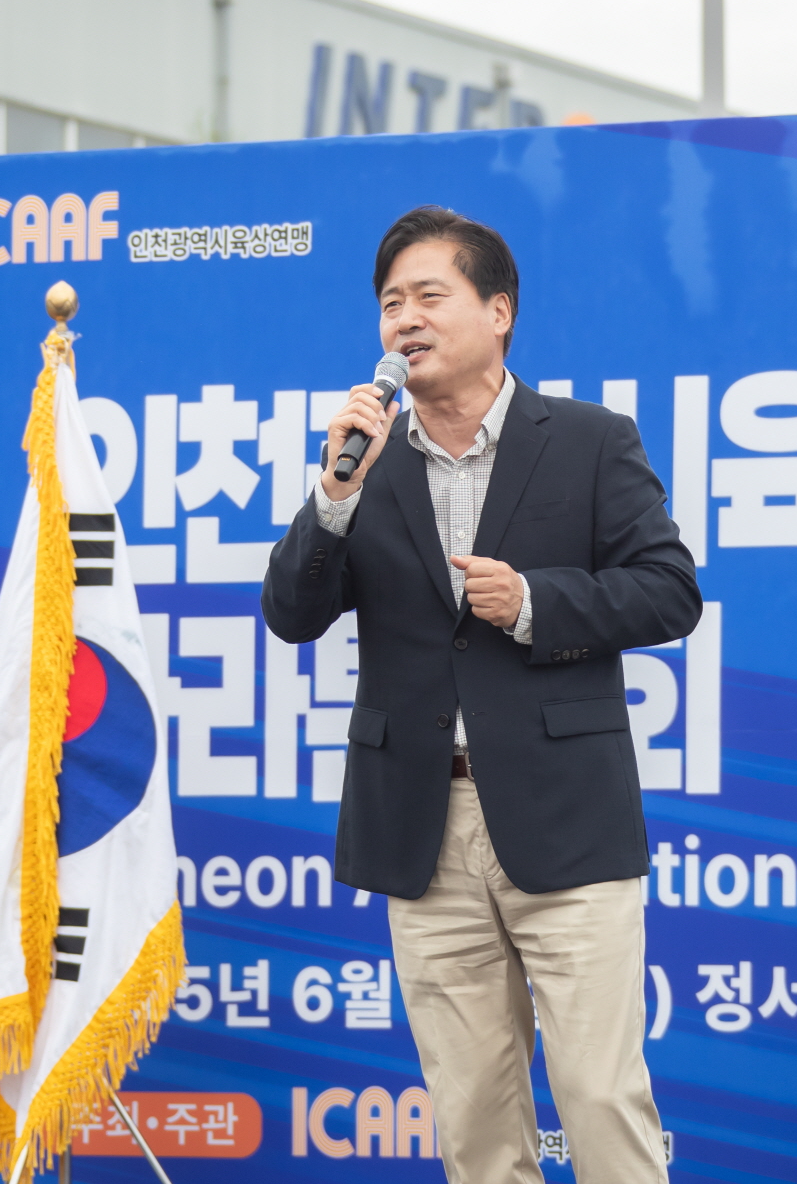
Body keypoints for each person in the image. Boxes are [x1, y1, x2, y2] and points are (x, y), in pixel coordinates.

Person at [261, 205, 700, 1183]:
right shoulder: (366, 459)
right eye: (390, 303)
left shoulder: (588, 440)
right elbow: (291, 612)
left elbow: (669, 590)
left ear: (498, 311)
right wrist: (334, 496)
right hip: (422, 825)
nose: (404, 319)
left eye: (429, 295)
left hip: (565, 817)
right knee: (473, 1117)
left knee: (598, 1095)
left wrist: (536, 601)